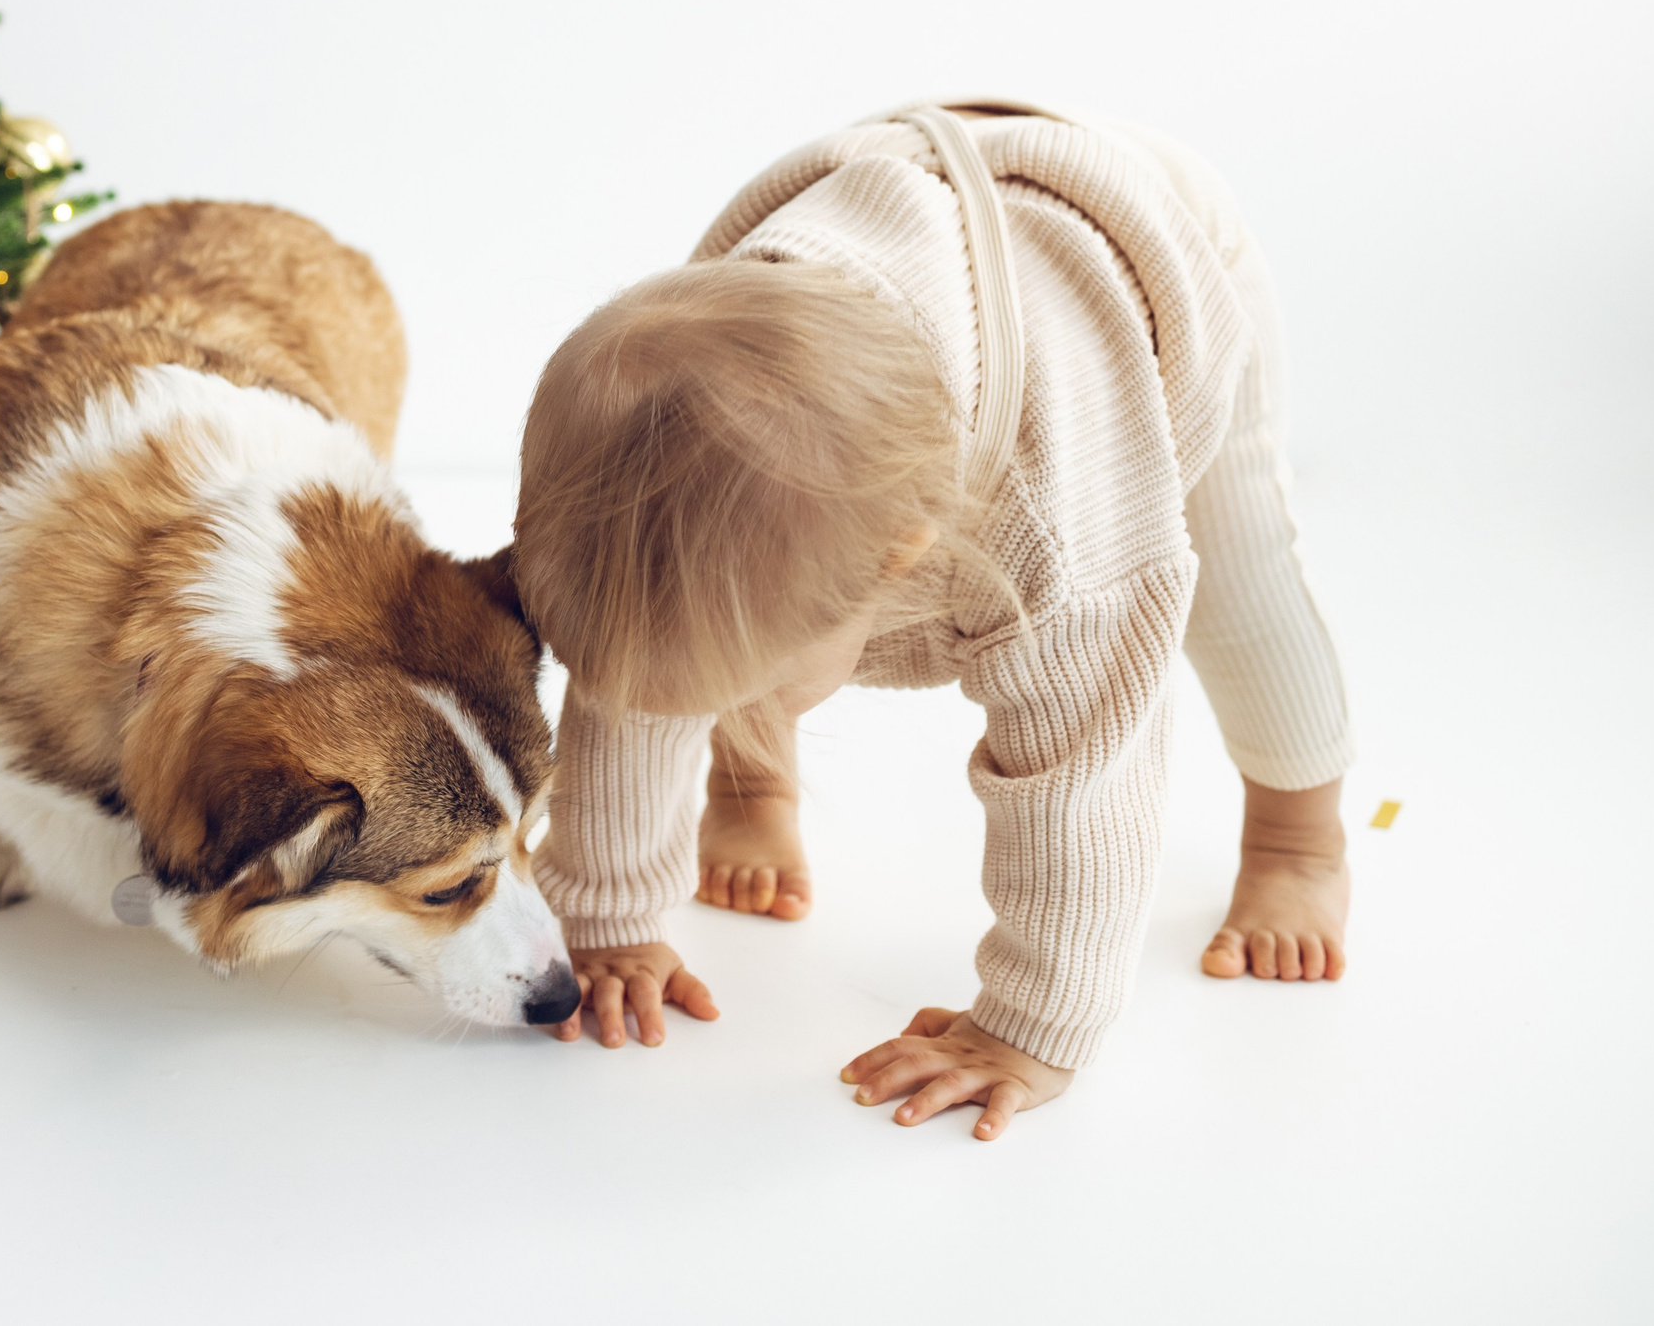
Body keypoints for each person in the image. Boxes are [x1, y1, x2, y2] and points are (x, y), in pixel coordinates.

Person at [512, 100, 1354, 1139]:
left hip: (1154, 259)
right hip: (881, 225)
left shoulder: (1062, 523)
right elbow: (633, 675)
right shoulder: (649, 491)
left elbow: (1083, 771)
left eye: (732, 700)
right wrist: (608, 915)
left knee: (1240, 583)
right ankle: (755, 790)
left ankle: (1298, 844)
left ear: (903, 559)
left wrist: (1031, 1026)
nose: (659, 708)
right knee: (697, 612)